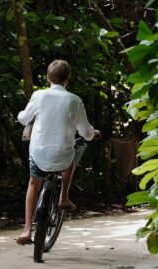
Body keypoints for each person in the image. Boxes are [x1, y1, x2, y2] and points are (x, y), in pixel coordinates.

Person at [16, 59, 100, 245]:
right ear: (67, 80)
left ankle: (27, 229)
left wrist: (24, 116)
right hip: (62, 155)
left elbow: (23, 119)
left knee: (33, 183)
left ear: (48, 78)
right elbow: (86, 133)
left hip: (38, 154)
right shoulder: (74, 100)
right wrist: (94, 133)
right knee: (71, 155)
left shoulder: (39, 96)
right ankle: (63, 197)